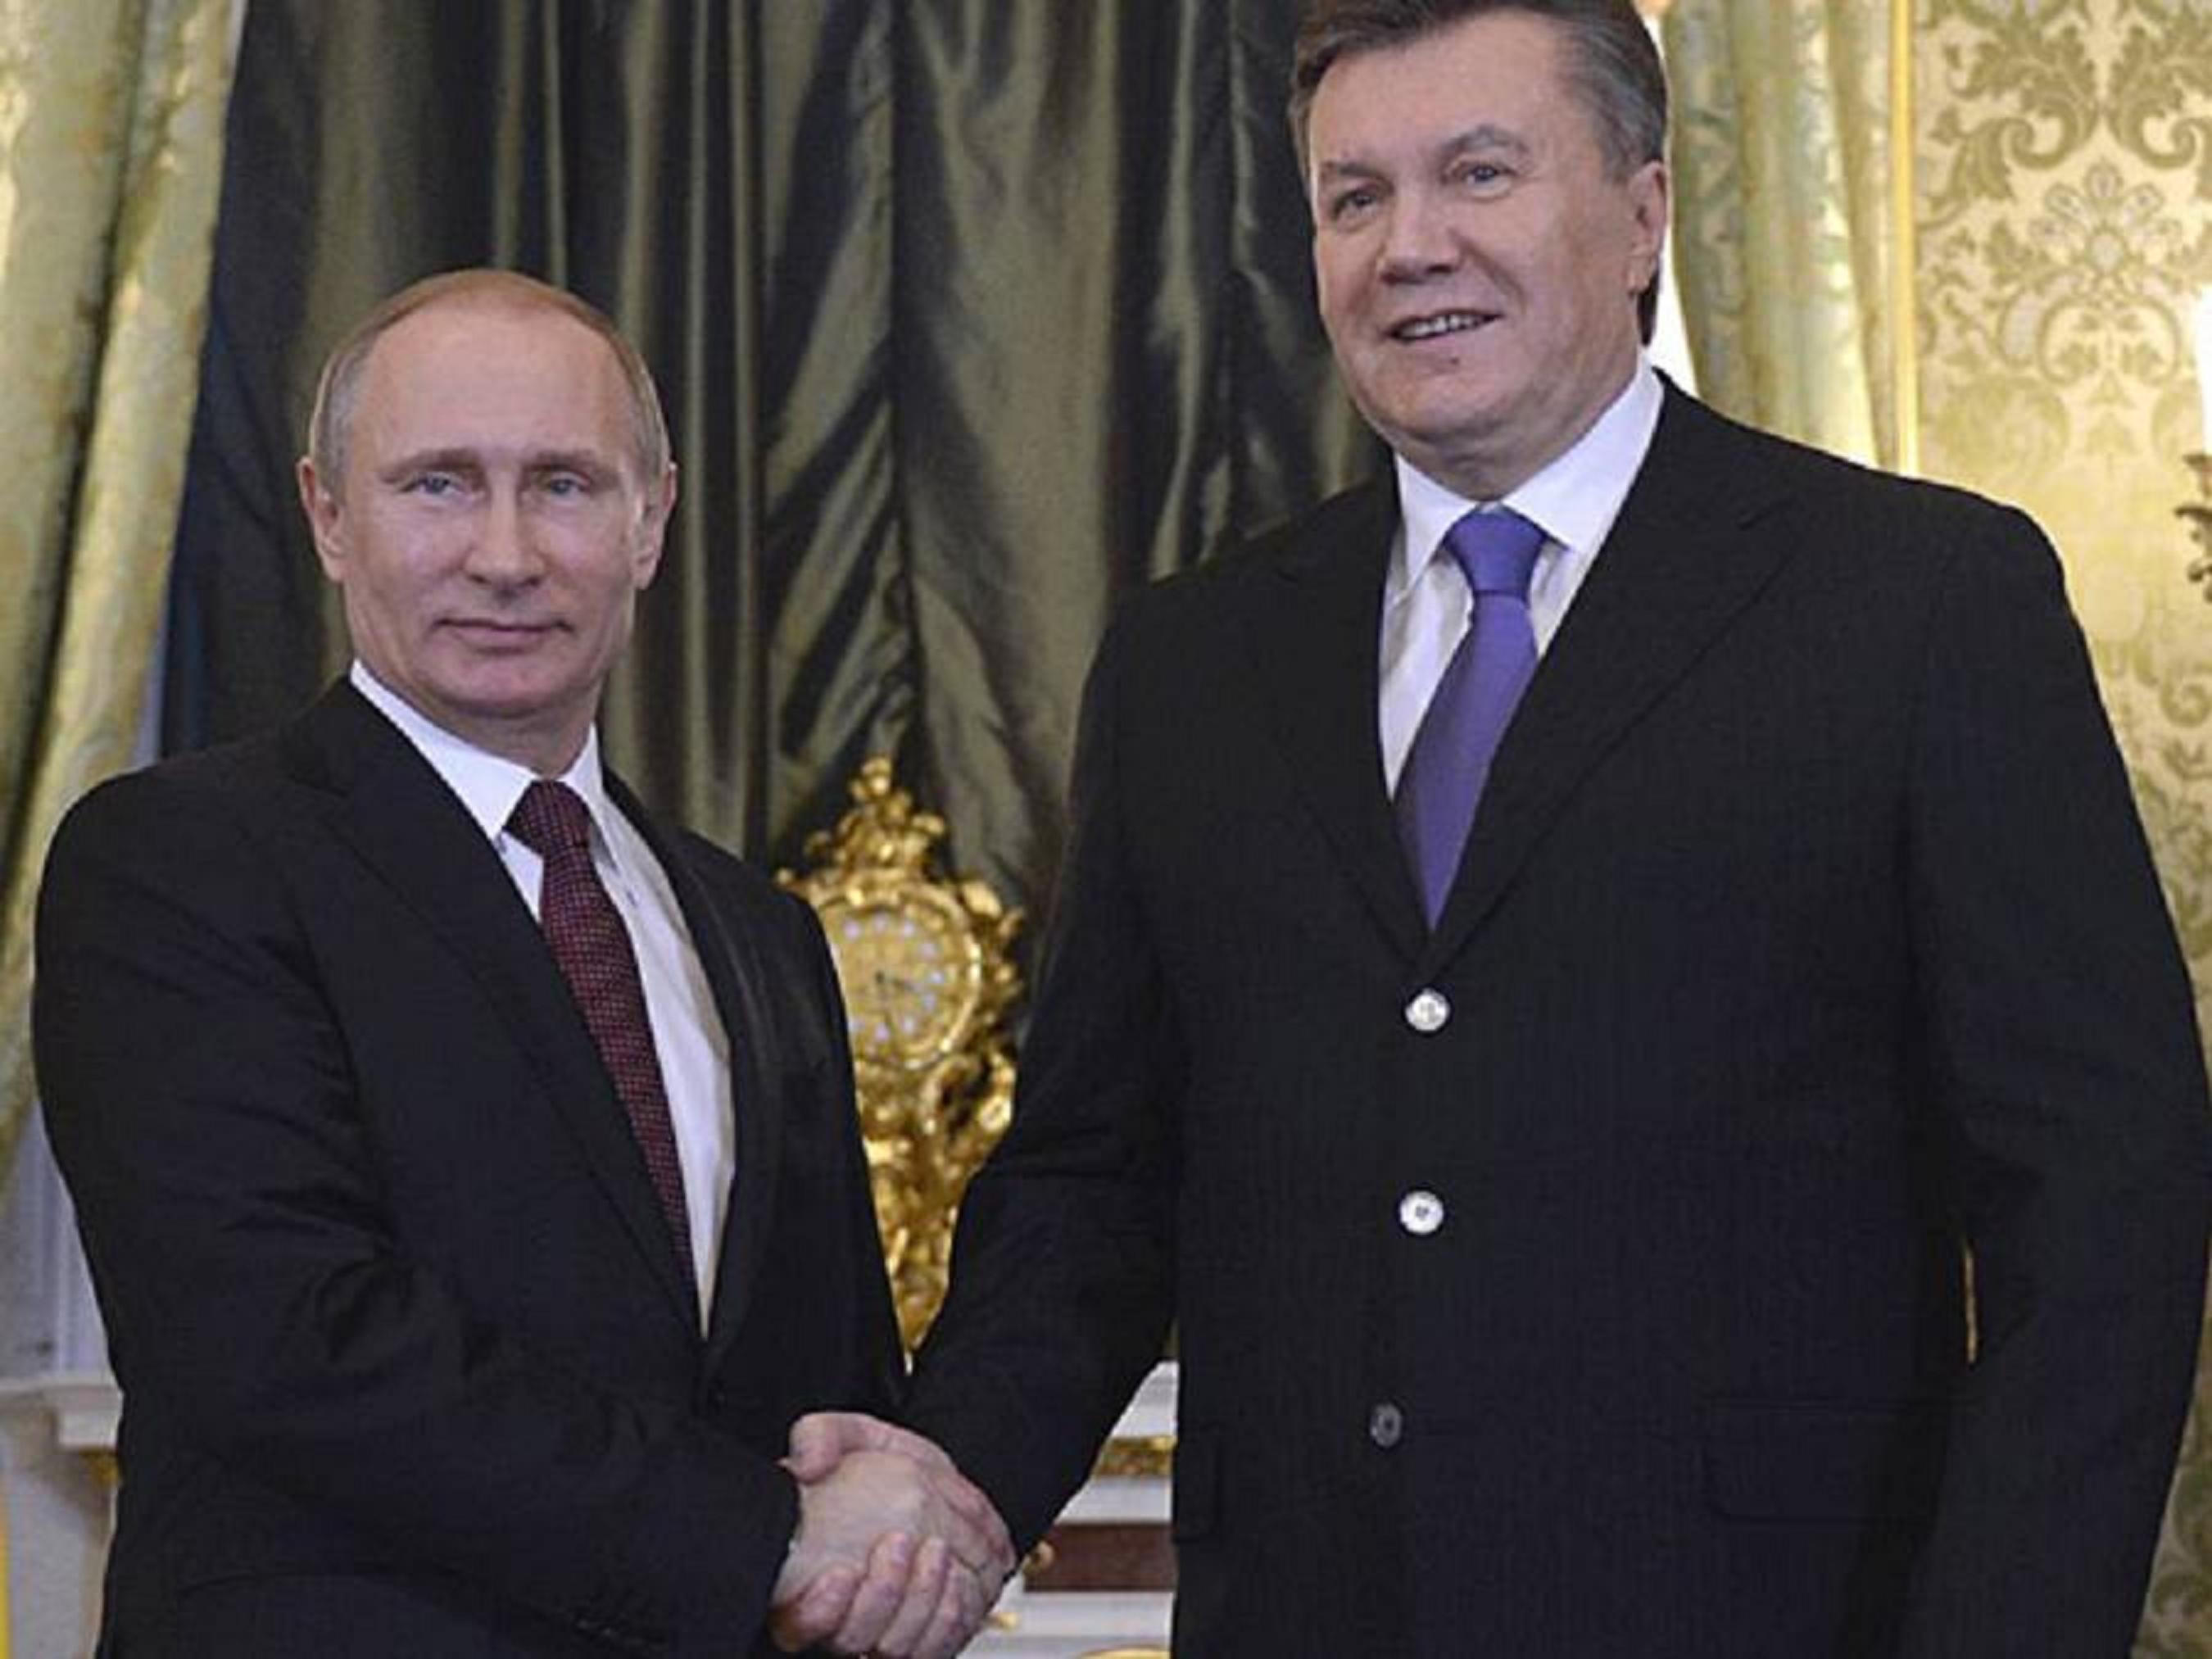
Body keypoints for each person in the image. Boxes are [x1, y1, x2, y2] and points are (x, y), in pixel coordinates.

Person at [787, 2, 2212, 1653]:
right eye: (1355, 196)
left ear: (1643, 214)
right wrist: (950, 1488)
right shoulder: (1191, 663)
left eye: (1479, 173)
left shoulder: (1919, 600)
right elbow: (1095, 1183)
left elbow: (2097, 1203)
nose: (1411, 246)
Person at [33, 268, 1010, 1658]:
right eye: (438, 484)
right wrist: (761, 1535)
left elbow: (822, 1385)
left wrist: (895, 1529)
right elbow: (285, 1337)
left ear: (650, 520)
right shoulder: (179, 862)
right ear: (328, 514)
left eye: (563, 484)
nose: (505, 553)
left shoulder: (757, 933)